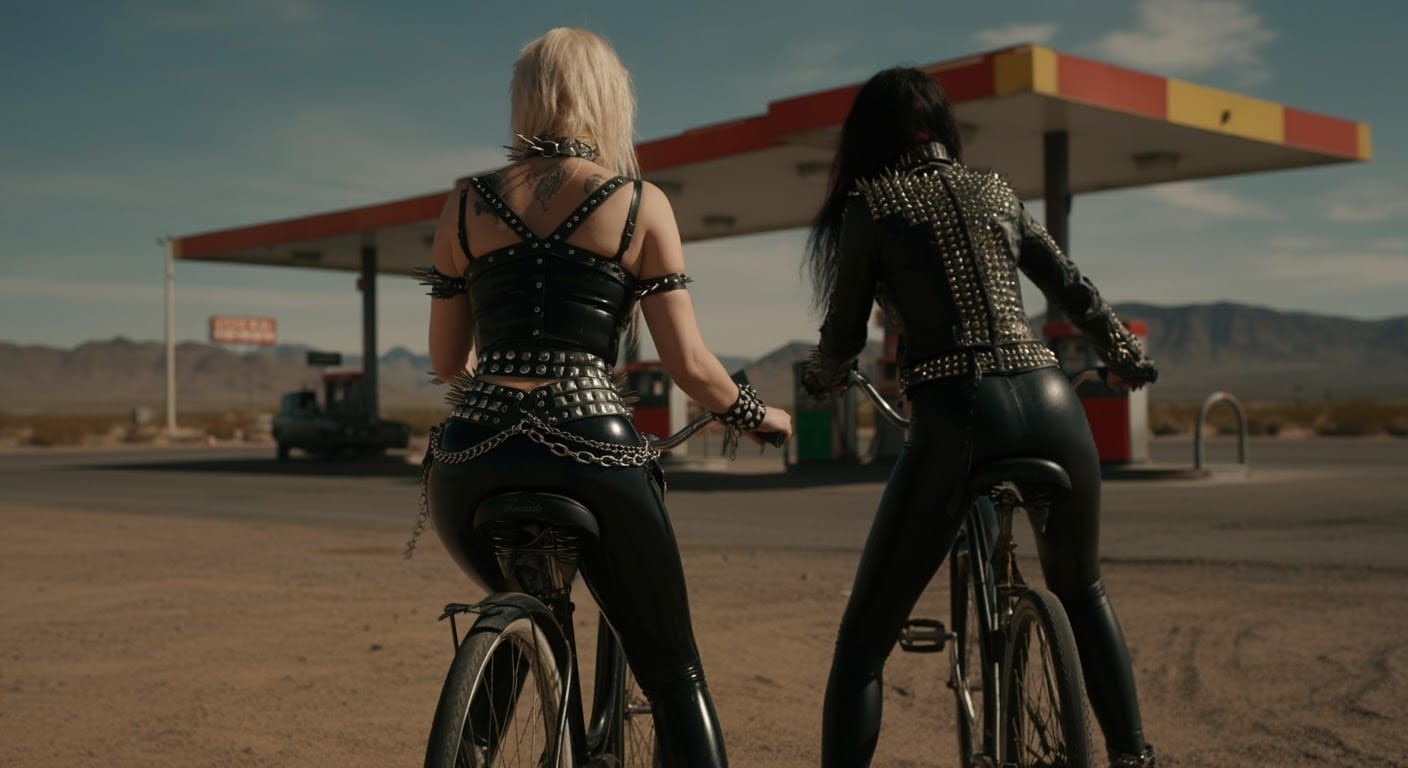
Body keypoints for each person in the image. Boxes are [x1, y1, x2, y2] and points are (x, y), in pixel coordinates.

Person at [412, 28, 791, 768]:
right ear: (607, 100)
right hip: (590, 450)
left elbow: (443, 361)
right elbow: (690, 367)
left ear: (524, 97)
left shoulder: (463, 204)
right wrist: (755, 415)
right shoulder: (640, 203)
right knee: (675, 673)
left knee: (521, 610)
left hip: (472, 460)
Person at [802, 67, 1158, 768]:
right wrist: (1124, 354)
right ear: (941, 127)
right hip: (1051, 402)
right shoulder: (993, 188)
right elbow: (1072, 286)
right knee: (1082, 590)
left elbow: (842, 337)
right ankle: (1134, 757)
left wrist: (823, 379)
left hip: (959, 413)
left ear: (867, 137)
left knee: (863, 646)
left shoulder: (872, 204)